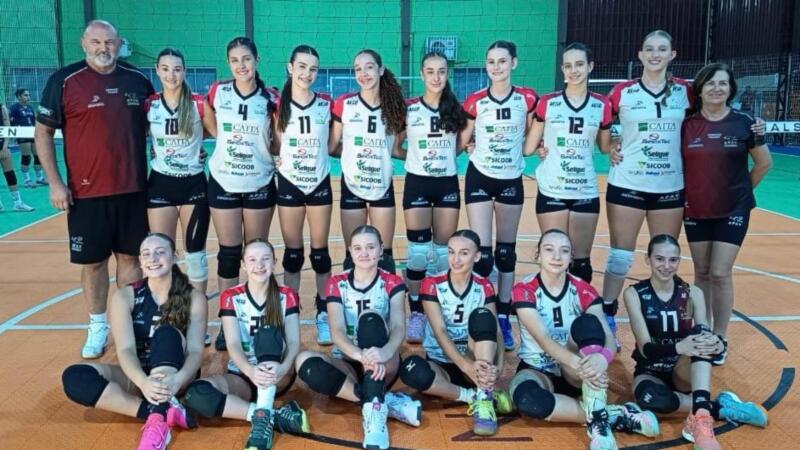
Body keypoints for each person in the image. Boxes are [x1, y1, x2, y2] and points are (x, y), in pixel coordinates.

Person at [35, 19, 154, 358]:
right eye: (97, 42)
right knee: (94, 263)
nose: (104, 48)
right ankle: (98, 325)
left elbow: (156, 128)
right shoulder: (64, 81)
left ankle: (130, 323)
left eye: (110, 42)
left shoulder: (138, 80)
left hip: (133, 189)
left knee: (131, 258)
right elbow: (43, 133)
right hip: (86, 193)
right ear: (83, 43)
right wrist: (55, 183)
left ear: (119, 43)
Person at [510, 229, 660, 450]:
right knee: (526, 400)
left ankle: (597, 420)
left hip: (574, 373)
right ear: (537, 255)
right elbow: (543, 339)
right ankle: (613, 415)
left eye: (564, 251)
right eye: (549, 250)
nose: (556, 257)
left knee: (588, 323)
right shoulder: (524, 289)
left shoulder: (583, 289)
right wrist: (581, 365)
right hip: (539, 367)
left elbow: (608, 337)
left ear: (571, 257)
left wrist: (602, 359)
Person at [60, 233, 207, 450]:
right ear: (140, 260)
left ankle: (157, 422)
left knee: (166, 334)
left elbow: (195, 351)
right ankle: (158, 411)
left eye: (160, 252)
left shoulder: (194, 297)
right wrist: (143, 382)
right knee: (75, 377)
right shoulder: (125, 296)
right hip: (139, 375)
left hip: (177, 377)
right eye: (146, 254)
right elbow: (126, 349)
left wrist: (178, 380)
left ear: (175, 256)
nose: (152, 259)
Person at [625, 234, 768, 450]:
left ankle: (700, 421)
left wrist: (717, 344)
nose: (666, 266)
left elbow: (705, 333)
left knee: (701, 338)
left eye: (673, 260)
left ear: (679, 261)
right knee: (651, 400)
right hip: (650, 371)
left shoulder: (692, 293)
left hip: (683, 370)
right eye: (659, 259)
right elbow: (646, 349)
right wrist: (679, 346)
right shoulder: (634, 294)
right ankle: (719, 407)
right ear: (648, 259)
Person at [295, 225, 422, 450]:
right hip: (350, 358)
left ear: (381, 250)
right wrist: (360, 356)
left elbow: (398, 327)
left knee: (369, 319)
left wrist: (382, 353)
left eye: (370, 247)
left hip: (384, 360)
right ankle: (381, 401)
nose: (364, 253)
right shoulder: (337, 283)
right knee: (303, 361)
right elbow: (337, 332)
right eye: (358, 248)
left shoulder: (393, 282)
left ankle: (375, 423)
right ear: (350, 251)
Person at [681, 63, 772, 365]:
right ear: (700, 89)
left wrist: (740, 193)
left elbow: (764, 163)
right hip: (695, 208)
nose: (716, 88)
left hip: (733, 209)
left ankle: (720, 337)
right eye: (710, 83)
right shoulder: (687, 124)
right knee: (702, 272)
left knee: (720, 272)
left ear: (731, 89)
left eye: (723, 83)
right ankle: (702, 330)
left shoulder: (746, 123)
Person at [183, 239, 310, 450]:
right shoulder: (231, 296)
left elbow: (294, 341)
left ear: (274, 262)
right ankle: (268, 415)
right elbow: (232, 343)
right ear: (243, 264)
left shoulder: (287, 295)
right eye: (252, 259)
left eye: (265, 259)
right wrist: (250, 371)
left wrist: (283, 368)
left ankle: (262, 423)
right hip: (244, 373)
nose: (259, 265)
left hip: (278, 373)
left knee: (266, 334)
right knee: (196, 394)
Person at [460, 40, 538, 351]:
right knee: (483, 255)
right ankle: (485, 313)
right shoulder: (476, 100)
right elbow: (463, 138)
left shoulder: (527, 99)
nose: (496, 67)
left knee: (506, 253)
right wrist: (465, 145)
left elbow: (534, 133)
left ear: (513, 63)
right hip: (479, 176)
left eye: (502, 61)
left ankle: (504, 315)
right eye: (491, 61)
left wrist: (538, 147)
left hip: (510, 180)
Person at [399, 230, 512, 436]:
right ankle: (474, 396)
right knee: (411, 371)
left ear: (477, 256)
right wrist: (465, 366)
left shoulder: (484, 286)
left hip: (475, 358)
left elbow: (495, 330)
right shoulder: (432, 284)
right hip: (443, 362)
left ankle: (484, 398)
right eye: (451, 252)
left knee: (482, 317)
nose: (456, 259)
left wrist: (499, 367)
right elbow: (440, 331)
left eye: (464, 253)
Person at [204, 37, 278, 351]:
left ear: (257, 60)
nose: (241, 65)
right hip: (224, 181)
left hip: (259, 181)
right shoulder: (217, 92)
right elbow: (210, 127)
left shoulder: (270, 97)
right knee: (229, 254)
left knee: (257, 254)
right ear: (228, 63)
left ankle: (260, 319)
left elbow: (276, 140)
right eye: (234, 60)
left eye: (246, 59)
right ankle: (228, 323)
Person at [524, 42, 612, 284]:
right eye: (568, 65)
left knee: (580, 263)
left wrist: (635, 138)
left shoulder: (602, 105)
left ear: (590, 66)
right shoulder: (547, 103)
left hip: (585, 190)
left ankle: (580, 306)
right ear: (562, 69)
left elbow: (605, 146)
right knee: (554, 260)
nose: (574, 70)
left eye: (579, 64)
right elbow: (528, 147)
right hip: (552, 189)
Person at [401, 51, 467, 344]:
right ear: (421, 74)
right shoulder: (409, 109)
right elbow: (396, 146)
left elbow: (461, 144)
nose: (436, 77)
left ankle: (440, 309)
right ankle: (416, 311)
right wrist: (417, 158)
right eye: (430, 71)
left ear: (447, 74)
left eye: (441, 71)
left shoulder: (455, 109)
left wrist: (444, 159)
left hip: (446, 184)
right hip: (417, 183)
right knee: (417, 252)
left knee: (442, 254)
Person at [272, 45, 335, 346]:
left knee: (320, 254)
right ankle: (290, 315)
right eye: (302, 67)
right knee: (293, 254)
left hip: (319, 182)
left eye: (313, 68)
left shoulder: (326, 105)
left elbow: (334, 144)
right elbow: (274, 144)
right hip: (290, 183)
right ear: (290, 67)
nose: (307, 73)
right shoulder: (277, 105)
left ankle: (323, 313)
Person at [330, 49, 406, 275]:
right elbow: (332, 147)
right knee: (353, 254)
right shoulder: (345, 104)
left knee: (384, 255)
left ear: (381, 70)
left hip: (382, 184)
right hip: (352, 184)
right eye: (358, 69)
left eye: (369, 67)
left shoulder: (396, 108)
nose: (363, 73)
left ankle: (387, 297)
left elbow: (395, 149)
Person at [145, 48, 210, 297]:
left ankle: (197, 312)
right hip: (160, 185)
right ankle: (166, 309)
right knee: (161, 254)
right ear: (157, 70)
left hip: (193, 185)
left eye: (177, 69)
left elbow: (218, 133)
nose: (171, 75)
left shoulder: (199, 104)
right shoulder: (150, 104)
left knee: (195, 256)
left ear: (184, 71)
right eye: (165, 69)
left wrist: (200, 148)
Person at [1, 102, 34, 211]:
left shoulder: (2, 108)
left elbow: (7, 127)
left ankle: (17, 203)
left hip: (2, 146)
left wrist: (5, 146)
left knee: (10, 174)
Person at [9, 88, 46, 187]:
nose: (28, 97)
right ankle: (27, 181)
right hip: (23, 135)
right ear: (19, 97)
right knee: (26, 157)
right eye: (25, 95)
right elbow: (10, 123)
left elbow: (34, 121)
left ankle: (40, 178)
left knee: (38, 156)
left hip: (33, 134)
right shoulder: (14, 108)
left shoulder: (30, 108)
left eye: (28, 95)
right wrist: (13, 135)